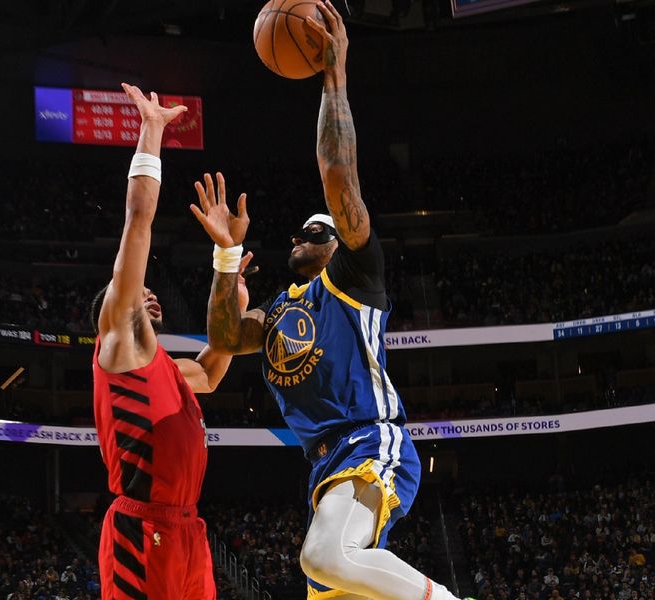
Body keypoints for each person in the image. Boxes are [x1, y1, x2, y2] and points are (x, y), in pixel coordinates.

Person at [190, 2, 472, 599]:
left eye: (315, 232)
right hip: (324, 467)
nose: (300, 237)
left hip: (371, 440)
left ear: (337, 240)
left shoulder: (354, 275)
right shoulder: (275, 313)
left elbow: (339, 175)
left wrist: (334, 75)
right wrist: (222, 257)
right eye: (298, 233)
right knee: (327, 575)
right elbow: (221, 341)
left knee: (320, 556)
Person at [91, 83, 252, 600]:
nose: (150, 295)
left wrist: (227, 265)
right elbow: (138, 222)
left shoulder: (165, 365)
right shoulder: (120, 347)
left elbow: (212, 368)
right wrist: (152, 131)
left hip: (187, 529)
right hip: (143, 528)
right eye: (140, 292)